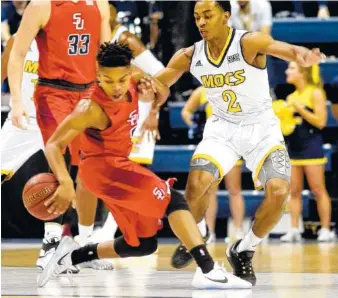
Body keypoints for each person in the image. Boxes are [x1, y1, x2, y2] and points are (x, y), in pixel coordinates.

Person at [37, 42, 251, 290]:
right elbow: (53, 145)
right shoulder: (89, 108)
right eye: (107, 80)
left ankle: (70, 256)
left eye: (120, 79)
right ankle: (208, 270)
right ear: (97, 75)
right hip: (104, 169)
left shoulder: (135, 78)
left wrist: (154, 93)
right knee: (174, 200)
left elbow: (162, 94)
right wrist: (64, 181)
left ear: (129, 72)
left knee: (142, 244)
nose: (115, 87)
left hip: (118, 165)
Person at [142, 0, 325, 285]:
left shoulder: (248, 42)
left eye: (208, 15)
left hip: (261, 128)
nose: (201, 22)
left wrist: (302, 55)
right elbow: (159, 83)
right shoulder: (190, 55)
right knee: (195, 186)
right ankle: (200, 230)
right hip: (222, 129)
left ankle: (244, 249)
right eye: (196, 17)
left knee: (279, 192)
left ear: (226, 16)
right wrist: (148, 102)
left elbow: (285, 49)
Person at [7, 0, 111, 271]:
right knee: (60, 164)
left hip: (89, 91)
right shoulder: (42, 5)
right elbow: (17, 53)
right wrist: (17, 101)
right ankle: (51, 244)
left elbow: (107, 51)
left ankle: (84, 246)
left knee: (90, 168)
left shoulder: (98, 3)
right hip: (53, 92)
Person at [76, 0, 166, 247]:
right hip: (112, 113)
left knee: (127, 171)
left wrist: (153, 113)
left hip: (138, 111)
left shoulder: (126, 38)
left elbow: (159, 74)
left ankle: (110, 231)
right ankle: (110, 229)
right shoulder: (90, 39)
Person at [181, 86, 245, 243]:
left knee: (234, 190)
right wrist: (196, 126)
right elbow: (186, 111)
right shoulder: (202, 91)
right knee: (210, 192)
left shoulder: (236, 88)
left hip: (231, 146)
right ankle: (210, 231)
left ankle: (238, 230)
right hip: (210, 147)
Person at [280, 63, 335, 242]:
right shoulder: (291, 96)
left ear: (302, 73)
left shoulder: (315, 93)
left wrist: (300, 109)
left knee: (318, 189)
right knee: (294, 191)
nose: (287, 72)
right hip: (294, 146)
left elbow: (321, 122)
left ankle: (326, 229)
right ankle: (294, 228)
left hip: (311, 146)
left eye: (291, 69)